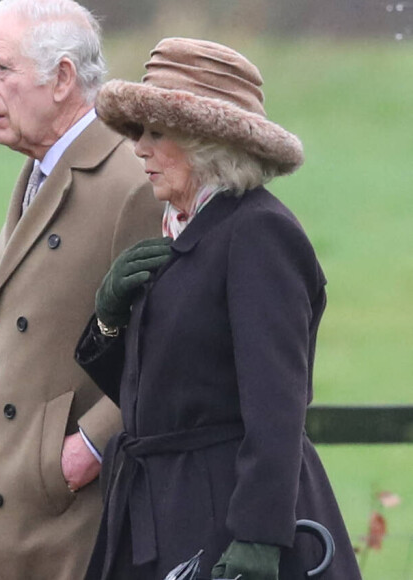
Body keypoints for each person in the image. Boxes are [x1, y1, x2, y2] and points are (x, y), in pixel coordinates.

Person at [75, 38, 362, 580]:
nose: (139, 149)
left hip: (222, 518)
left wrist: (257, 535)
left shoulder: (257, 233)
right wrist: (110, 320)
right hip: (160, 514)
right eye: (139, 132)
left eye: (156, 133)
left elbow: (277, 404)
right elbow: (160, 400)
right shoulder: (183, 234)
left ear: (206, 141)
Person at [0, 1, 163, 579]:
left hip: (67, 528)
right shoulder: (36, 170)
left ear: (63, 78)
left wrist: (86, 448)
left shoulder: (133, 181)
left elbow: (175, 343)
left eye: (0, 69)